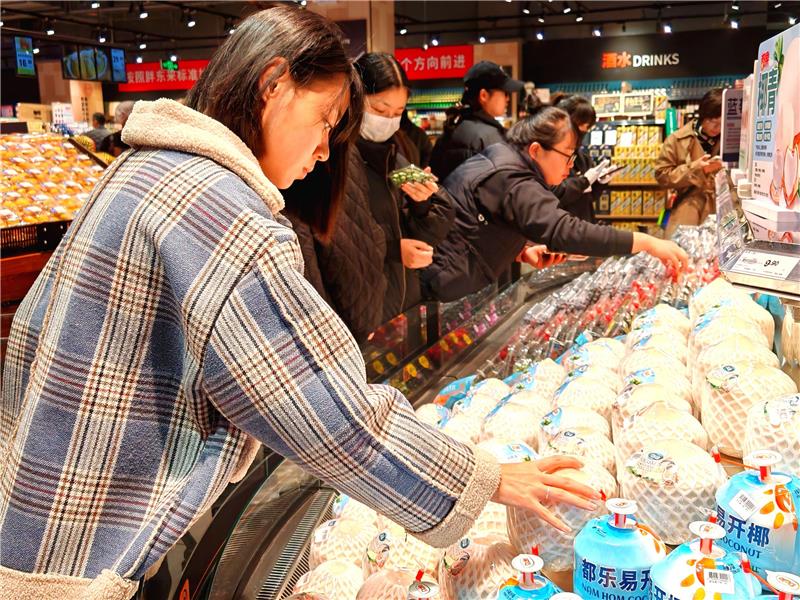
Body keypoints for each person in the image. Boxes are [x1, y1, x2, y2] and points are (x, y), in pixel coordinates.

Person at [0, 8, 598, 598]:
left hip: (39, 510)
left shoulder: (145, 170)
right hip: (88, 553)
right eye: (325, 120)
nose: (324, 150)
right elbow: (321, 409)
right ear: (274, 83)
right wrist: (482, 480)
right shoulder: (222, 212)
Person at [422, 101, 689, 302]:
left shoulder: (504, 157)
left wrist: (521, 249)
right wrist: (646, 242)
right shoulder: (514, 177)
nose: (570, 166)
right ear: (536, 150)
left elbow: (484, 220)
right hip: (438, 282)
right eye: (567, 155)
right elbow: (565, 230)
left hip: (444, 278)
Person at [287, 52, 454, 336]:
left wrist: (423, 204)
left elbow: (431, 226)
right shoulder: (330, 158)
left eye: (398, 113)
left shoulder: (399, 152)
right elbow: (332, 243)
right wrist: (393, 249)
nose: (388, 120)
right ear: (354, 99)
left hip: (401, 301)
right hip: (360, 313)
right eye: (380, 109)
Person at [429, 60, 523, 180]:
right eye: (505, 93)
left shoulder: (453, 128)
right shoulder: (490, 137)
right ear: (484, 95)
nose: (508, 98)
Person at [655, 88, 723, 237]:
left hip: (722, 209)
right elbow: (662, 176)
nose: (717, 128)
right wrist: (694, 168)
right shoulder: (677, 139)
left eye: (721, 123)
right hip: (688, 208)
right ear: (703, 115)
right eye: (713, 122)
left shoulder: (731, 140)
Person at [550, 93, 618, 222]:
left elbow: (588, 198)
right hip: (561, 226)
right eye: (582, 124)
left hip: (583, 225)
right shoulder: (549, 155)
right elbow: (552, 193)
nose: (585, 130)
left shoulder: (582, 158)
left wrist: (599, 182)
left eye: (588, 126)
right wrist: (583, 181)